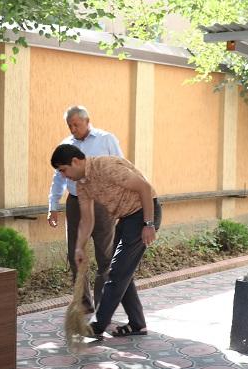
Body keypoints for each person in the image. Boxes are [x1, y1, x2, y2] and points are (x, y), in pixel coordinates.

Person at [50, 144, 162, 338]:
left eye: (63, 170)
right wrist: (79, 247)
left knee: (117, 271)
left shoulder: (106, 167)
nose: (63, 175)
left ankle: (98, 326)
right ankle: (137, 324)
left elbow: (145, 188)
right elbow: (87, 220)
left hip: (143, 214)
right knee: (120, 271)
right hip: (126, 218)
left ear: (75, 162)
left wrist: (149, 224)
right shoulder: (82, 185)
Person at [47, 106, 123, 313]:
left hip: (102, 203)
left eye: (76, 125)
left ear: (87, 121)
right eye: (69, 126)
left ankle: (103, 304)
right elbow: (58, 178)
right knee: (75, 252)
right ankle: (83, 302)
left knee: (105, 255)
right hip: (75, 203)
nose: (73, 129)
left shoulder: (106, 139)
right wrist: (53, 206)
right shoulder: (65, 145)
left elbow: (120, 168)